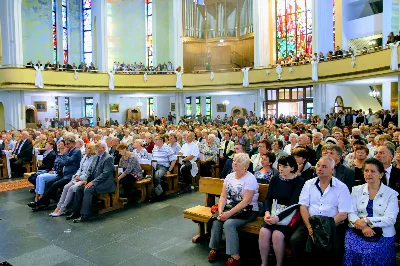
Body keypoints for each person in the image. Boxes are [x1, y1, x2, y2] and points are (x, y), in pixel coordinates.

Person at [290, 156, 352, 266]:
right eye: (318, 165)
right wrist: (310, 228)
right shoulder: (309, 183)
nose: (319, 169)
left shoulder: (341, 187)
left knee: (334, 246)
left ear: (332, 170)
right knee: (296, 240)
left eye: (324, 167)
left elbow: (343, 214)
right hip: (311, 222)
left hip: (332, 224)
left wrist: (325, 228)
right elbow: (303, 207)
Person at [343, 158, 398, 266]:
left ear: (381, 174)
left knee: (371, 252)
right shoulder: (356, 190)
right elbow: (351, 212)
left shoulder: (391, 194)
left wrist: (366, 220)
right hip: (357, 230)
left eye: (373, 171)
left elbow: (390, 219)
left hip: (383, 233)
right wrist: (363, 226)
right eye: (366, 171)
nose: (369, 174)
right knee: (352, 248)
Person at [208, 153, 259, 266]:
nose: (234, 162)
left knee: (229, 224)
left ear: (245, 166)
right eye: (234, 160)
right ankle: (214, 248)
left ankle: (235, 256)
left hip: (248, 210)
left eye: (238, 161)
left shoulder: (250, 179)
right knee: (217, 219)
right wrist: (221, 211)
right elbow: (223, 196)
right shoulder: (229, 176)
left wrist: (228, 214)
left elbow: (246, 201)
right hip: (230, 207)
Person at [259, 155, 305, 266]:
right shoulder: (275, 179)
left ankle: (279, 263)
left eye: (284, 166)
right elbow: (268, 198)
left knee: (277, 235)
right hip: (273, 213)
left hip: (289, 216)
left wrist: (277, 218)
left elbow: (294, 204)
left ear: (292, 168)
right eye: (280, 166)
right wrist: (267, 213)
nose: (281, 169)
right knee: (263, 232)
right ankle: (263, 263)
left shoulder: (299, 181)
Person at [29, 135, 82, 211]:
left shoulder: (76, 151)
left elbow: (67, 161)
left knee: (54, 185)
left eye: (67, 144)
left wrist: (65, 153)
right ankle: (44, 204)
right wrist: (65, 158)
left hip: (70, 175)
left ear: (73, 143)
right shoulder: (70, 151)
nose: (66, 146)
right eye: (65, 144)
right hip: (63, 173)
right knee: (48, 183)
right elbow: (62, 161)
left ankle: (40, 203)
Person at [68, 142, 115, 222]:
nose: (96, 149)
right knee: (79, 188)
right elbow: (90, 170)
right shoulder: (96, 157)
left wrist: (93, 182)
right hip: (94, 181)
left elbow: (105, 174)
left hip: (104, 183)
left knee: (87, 190)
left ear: (103, 148)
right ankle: (75, 212)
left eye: (97, 147)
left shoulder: (108, 158)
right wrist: (86, 180)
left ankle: (85, 215)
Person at [50, 143, 96, 217]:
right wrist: (77, 175)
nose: (85, 149)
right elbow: (79, 168)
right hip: (78, 177)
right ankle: (58, 207)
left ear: (92, 150)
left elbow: (89, 173)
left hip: (84, 179)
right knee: (66, 187)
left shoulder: (93, 159)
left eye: (87, 148)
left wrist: (80, 178)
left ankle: (63, 209)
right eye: (86, 147)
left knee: (71, 189)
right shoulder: (84, 157)